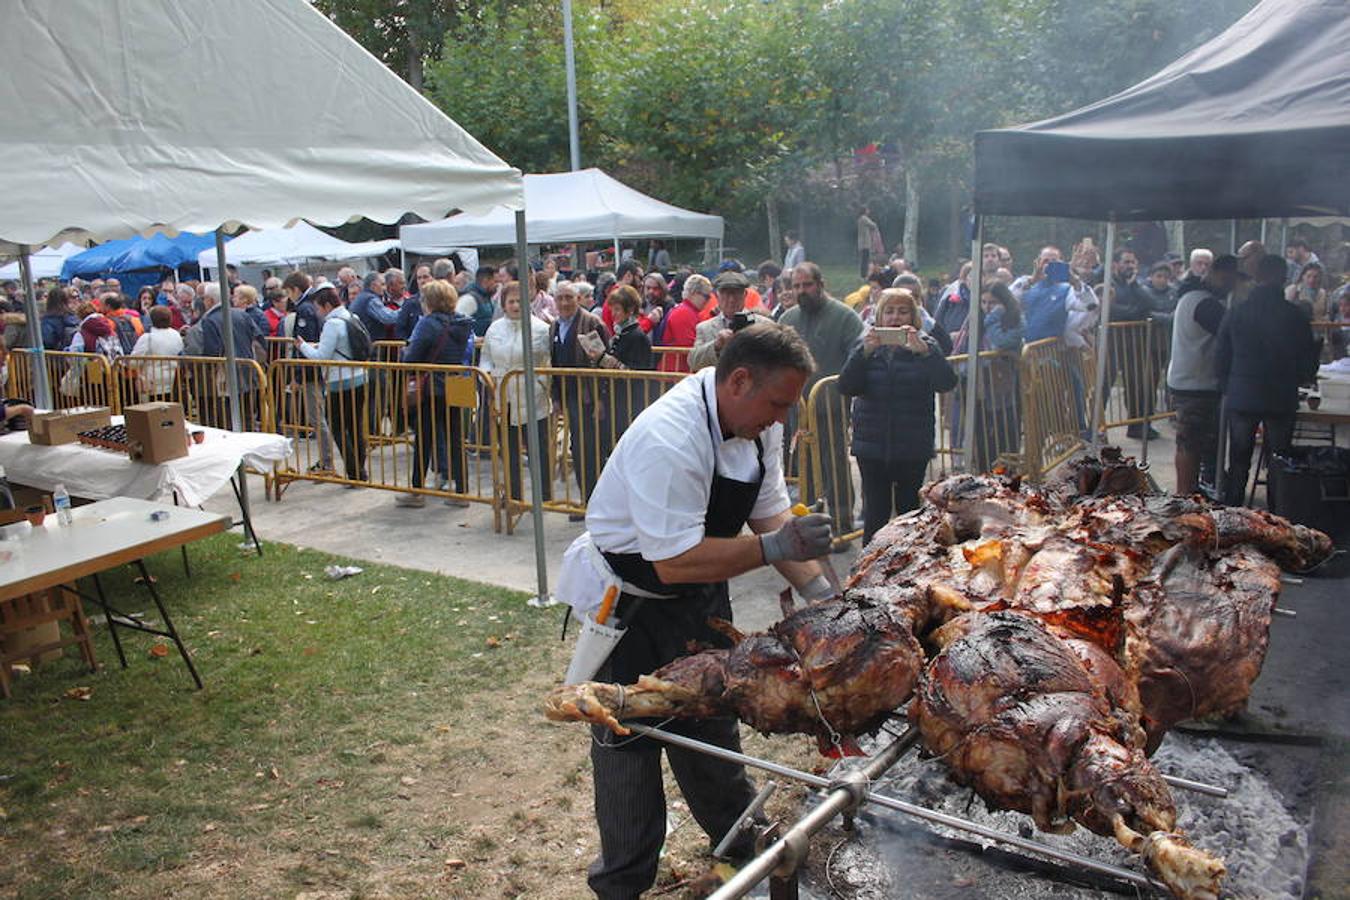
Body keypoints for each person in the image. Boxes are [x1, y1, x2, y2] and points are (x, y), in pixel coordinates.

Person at [571, 323, 836, 900]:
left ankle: (743, 857)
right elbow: (673, 561)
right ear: (739, 381)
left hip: (701, 598)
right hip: (633, 609)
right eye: (778, 403)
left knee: (712, 730)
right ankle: (621, 884)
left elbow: (769, 513)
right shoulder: (670, 438)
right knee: (628, 745)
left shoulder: (760, 427)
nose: (783, 417)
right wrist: (772, 548)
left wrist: (822, 595)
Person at [839, 288, 958, 544]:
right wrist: (863, 354)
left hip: (912, 445)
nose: (895, 318)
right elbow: (846, 386)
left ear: (913, 316)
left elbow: (946, 383)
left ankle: (908, 561)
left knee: (909, 512)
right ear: (879, 317)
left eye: (902, 311)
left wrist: (925, 353)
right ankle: (870, 562)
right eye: (889, 311)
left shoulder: (927, 344)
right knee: (875, 513)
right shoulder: (865, 345)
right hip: (871, 445)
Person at [1216, 254, 1319, 506]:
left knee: (1238, 460)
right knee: (1279, 461)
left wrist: (1227, 385)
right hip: (1281, 396)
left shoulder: (1236, 312)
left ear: (1257, 276)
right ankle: (1277, 513)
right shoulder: (1296, 316)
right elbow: (1309, 360)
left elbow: (1221, 355)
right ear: (1284, 278)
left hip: (1242, 394)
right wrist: (1299, 380)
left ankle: (1233, 511)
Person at [779, 263, 863, 545]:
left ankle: (841, 525)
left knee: (834, 465)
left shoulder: (845, 316)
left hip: (832, 407)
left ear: (820, 284)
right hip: (797, 409)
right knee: (803, 467)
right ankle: (810, 527)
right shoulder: (788, 317)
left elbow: (858, 356)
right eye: (796, 286)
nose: (801, 291)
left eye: (807, 285)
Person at [398, 279, 473, 508]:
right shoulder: (463, 323)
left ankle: (417, 491)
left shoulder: (427, 324)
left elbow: (412, 358)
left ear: (429, 301)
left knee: (424, 439)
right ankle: (461, 491)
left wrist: (405, 352)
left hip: (432, 387)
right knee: (456, 439)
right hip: (456, 382)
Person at [1167, 255, 1237, 496]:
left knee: (1192, 442)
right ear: (1214, 273)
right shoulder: (1204, 303)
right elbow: (1233, 333)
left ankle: (1189, 490)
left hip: (1191, 380)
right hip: (1194, 384)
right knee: (1189, 443)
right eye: (1227, 280)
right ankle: (1184, 494)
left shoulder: (1195, 297)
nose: (1229, 286)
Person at [480, 281, 552, 503]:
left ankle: (544, 497)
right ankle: (513, 496)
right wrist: (487, 377)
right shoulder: (494, 329)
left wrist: (541, 385)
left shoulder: (541, 329)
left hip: (533, 398)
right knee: (508, 450)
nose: (515, 305)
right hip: (504, 398)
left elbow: (548, 363)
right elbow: (486, 358)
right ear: (504, 304)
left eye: (520, 301)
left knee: (537, 450)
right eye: (511, 301)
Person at [295, 285, 369, 482]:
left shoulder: (332, 324)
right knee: (355, 426)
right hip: (359, 377)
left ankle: (354, 471)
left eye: (318, 307)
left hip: (339, 382)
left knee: (338, 427)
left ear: (327, 305)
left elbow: (321, 357)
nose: (317, 312)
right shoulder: (352, 317)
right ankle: (360, 469)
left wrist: (303, 346)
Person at [550, 280, 610, 509]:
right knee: (578, 448)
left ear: (578, 299)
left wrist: (601, 399)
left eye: (569, 297)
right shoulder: (554, 326)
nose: (564, 303)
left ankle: (595, 501)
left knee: (591, 449)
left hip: (589, 398)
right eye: (560, 298)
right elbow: (554, 362)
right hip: (569, 397)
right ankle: (587, 498)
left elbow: (603, 362)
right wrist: (556, 397)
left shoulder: (591, 323)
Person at [965, 282, 1025, 473]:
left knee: (1006, 433)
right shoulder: (974, 319)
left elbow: (1001, 342)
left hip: (1007, 387)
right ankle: (985, 473)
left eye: (992, 303)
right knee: (983, 435)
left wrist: (992, 319)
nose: (987, 307)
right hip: (981, 386)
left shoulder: (1016, 320)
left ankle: (1008, 474)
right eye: (983, 302)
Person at [586, 284, 656, 445]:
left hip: (628, 403)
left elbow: (637, 373)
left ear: (630, 310)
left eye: (617, 309)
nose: (613, 314)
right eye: (612, 309)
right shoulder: (622, 333)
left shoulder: (637, 337)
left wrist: (603, 359)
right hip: (615, 400)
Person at [689, 271, 769, 371]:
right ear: (717, 296)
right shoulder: (704, 328)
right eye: (726, 294)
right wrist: (716, 345)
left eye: (736, 294)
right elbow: (693, 362)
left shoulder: (765, 325)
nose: (731, 300)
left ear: (745, 295)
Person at [657, 274, 712, 373]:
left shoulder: (687, 311)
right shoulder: (684, 313)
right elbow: (689, 347)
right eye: (706, 297)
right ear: (694, 293)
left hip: (678, 370)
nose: (708, 301)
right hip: (676, 372)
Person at [128, 305, 185, 402]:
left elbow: (133, 362)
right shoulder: (176, 335)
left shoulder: (148, 338)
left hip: (152, 384)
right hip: (174, 381)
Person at [40, 286, 78, 351]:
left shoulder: (48, 319)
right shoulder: (73, 316)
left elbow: (48, 341)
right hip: (74, 352)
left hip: (55, 353)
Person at [856, 207, 881, 278]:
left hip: (862, 243)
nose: (869, 211)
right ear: (864, 211)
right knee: (865, 260)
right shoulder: (864, 218)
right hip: (865, 243)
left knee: (864, 259)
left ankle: (863, 274)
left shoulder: (860, 219)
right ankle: (864, 275)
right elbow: (873, 225)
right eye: (867, 209)